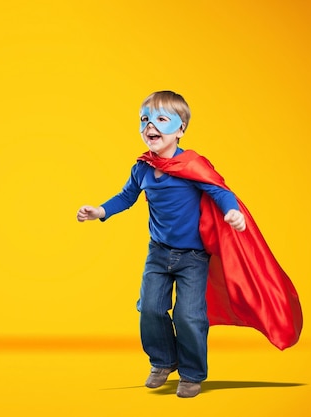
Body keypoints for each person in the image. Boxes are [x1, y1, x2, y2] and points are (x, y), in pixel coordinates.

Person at [76, 91, 247, 398]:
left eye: (161, 120)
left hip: (193, 257)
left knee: (189, 316)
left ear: (180, 129)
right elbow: (126, 197)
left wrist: (231, 211)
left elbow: (219, 190)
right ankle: (163, 362)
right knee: (150, 309)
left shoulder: (193, 165)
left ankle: (192, 374)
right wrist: (100, 211)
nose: (149, 127)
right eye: (144, 120)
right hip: (158, 253)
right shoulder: (142, 168)